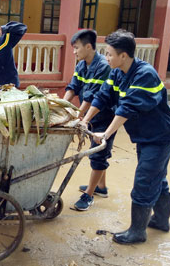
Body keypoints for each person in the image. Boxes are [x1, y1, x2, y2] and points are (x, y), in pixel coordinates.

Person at [81, 29, 170, 244]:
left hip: (160, 136)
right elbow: (102, 97)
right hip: (145, 136)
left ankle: (137, 231)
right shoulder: (117, 72)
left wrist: (106, 134)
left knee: (145, 179)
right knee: (157, 177)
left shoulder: (145, 74)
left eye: (109, 54)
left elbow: (127, 108)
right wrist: (84, 120)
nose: (105, 58)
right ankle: (161, 221)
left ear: (123, 55)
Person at [63, 29, 115, 211]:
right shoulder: (81, 65)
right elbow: (74, 87)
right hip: (90, 115)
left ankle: (89, 195)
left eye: (76, 48)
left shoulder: (103, 66)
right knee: (99, 152)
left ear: (88, 46)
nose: (74, 52)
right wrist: (61, 105)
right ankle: (101, 187)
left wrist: (81, 117)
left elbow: (92, 96)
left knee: (97, 154)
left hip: (105, 116)